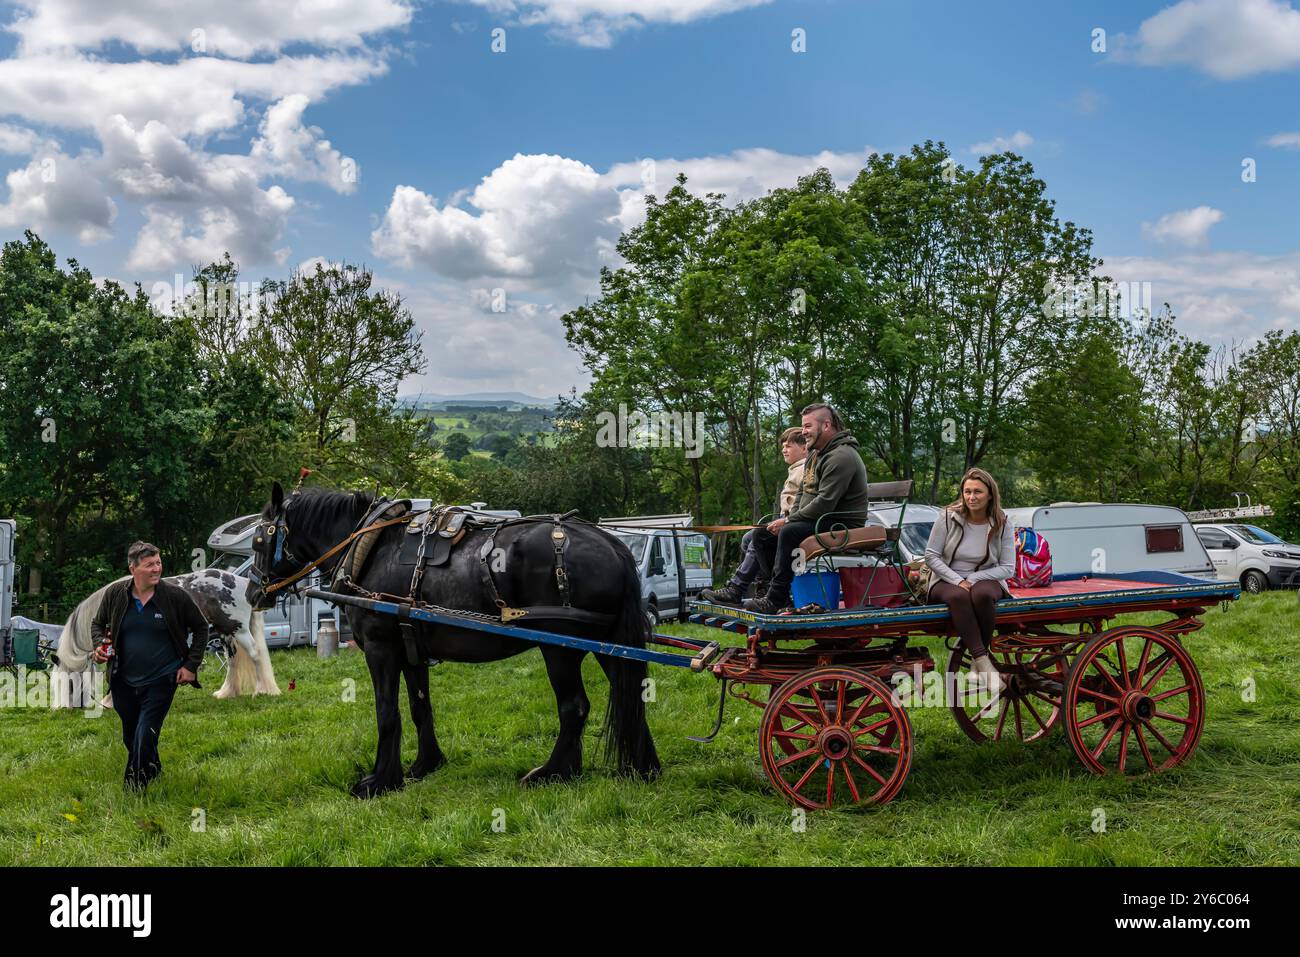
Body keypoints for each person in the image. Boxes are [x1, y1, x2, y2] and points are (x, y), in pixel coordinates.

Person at [92, 541, 209, 790]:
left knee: (146, 733)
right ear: (133, 568)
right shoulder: (116, 594)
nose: (156, 569)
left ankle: (135, 788)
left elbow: (201, 628)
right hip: (122, 679)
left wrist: (190, 665)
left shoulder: (174, 597)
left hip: (162, 678)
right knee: (131, 734)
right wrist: (100, 646)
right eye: (149, 565)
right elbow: (98, 624)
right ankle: (153, 768)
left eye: (158, 563)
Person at [744, 402, 869, 614]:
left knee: (790, 531)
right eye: (803, 426)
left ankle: (775, 598)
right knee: (762, 535)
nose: (803, 432)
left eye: (808, 426)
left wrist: (790, 521)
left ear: (826, 425)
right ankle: (771, 595)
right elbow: (803, 492)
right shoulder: (815, 454)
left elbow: (825, 502)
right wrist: (791, 516)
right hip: (820, 519)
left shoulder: (842, 456)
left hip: (842, 522)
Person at [923, 468, 1015, 697]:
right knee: (958, 596)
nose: (971, 497)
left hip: (987, 576)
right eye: (967, 492)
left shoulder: (1001, 521)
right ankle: (982, 661)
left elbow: (1008, 568)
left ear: (990, 495)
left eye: (977, 492)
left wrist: (973, 578)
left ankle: (977, 664)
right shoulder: (947, 517)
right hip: (945, 578)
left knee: (981, 595)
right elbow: (931, 556)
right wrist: (957, 580)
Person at [700, 427, 807, 606]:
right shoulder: (795, 469)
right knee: (747, 538)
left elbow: (802, 504)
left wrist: (785, 521)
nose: (784, 450)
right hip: (787, 522)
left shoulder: (805, 469)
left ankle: (737, 589)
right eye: (782, 447)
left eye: (788, 446)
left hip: (795, 525)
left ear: (804, 448)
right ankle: (761, 589)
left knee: (759, 537)